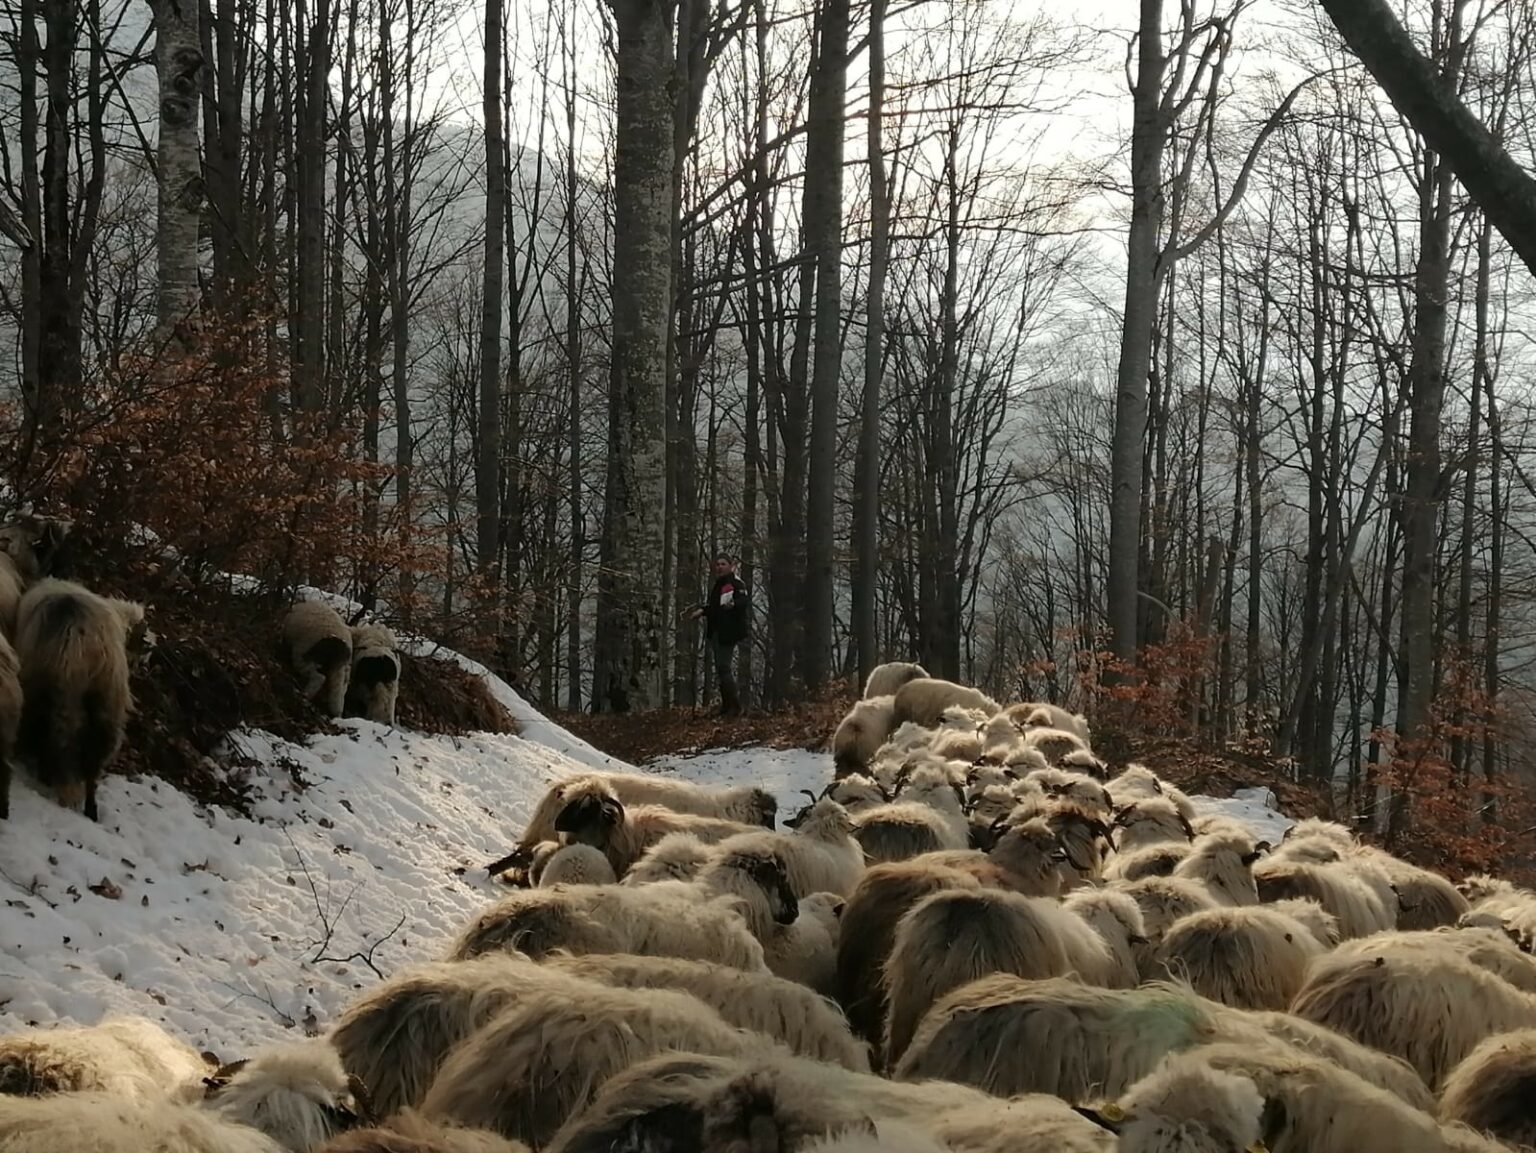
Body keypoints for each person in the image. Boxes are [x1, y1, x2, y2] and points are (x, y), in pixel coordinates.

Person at [689, 553, 750, 717]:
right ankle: (726, 706)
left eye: (723, 564)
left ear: (731, 565)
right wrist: (702, 611)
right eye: (717, 564)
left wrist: (734, 605)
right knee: (721, 669)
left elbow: (743, 601)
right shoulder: (718, 585)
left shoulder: (736, 583)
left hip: (729, 632)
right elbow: (715, 607)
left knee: (724, 668)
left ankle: (735, 707)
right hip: (716, 631)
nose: (720, 567)